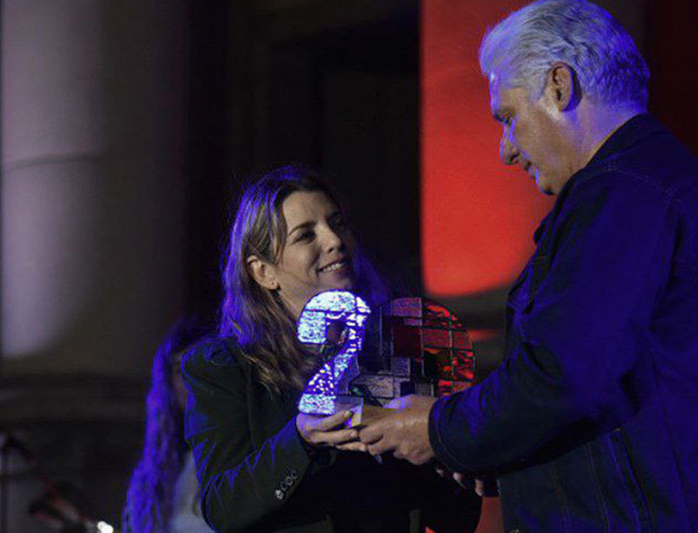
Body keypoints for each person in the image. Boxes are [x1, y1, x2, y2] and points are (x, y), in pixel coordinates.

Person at [358, 0, 698, 531]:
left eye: (509, 118)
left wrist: (437, 428)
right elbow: (613, 390)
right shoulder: (654, 185)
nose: (506, 151)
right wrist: (508, 455)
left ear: (560, 86)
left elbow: (561, 376)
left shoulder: (622, 195)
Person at [182, 166, 481, 532]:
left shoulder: (399, 351)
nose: (334, 240)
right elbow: (223, 508)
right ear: (263, 272)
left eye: (337, 223)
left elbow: (456, 515)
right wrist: (301, 439)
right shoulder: (224, 367)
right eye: (306, 235)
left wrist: (446, 448)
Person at [124, 318, 212, 533]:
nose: (189, 381)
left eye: (197, 367)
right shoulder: (153, 471)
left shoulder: (238, 455)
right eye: (179, 370)